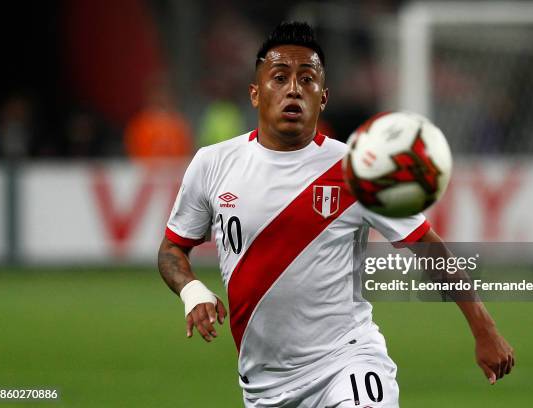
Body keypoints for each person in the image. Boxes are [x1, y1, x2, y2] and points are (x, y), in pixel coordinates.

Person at [158, 22, 514, 407]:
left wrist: (484, 327)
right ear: (255, 94)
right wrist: (192, 291)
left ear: (322, 97)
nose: (293, 88)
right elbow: (172, 249)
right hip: (264, 385)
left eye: (306, 79)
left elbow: (428, 246)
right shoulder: (213, 164)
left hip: (347, 361)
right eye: (280, 78)